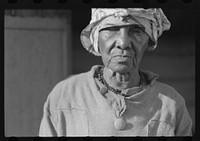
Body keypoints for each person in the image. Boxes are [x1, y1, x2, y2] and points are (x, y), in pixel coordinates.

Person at [39, 8, 192, 136]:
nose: (123, 43)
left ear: (149, 41)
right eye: (112, 29)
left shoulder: (171, 104)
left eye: (136, 31)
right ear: (96, 39)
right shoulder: (65, 95)